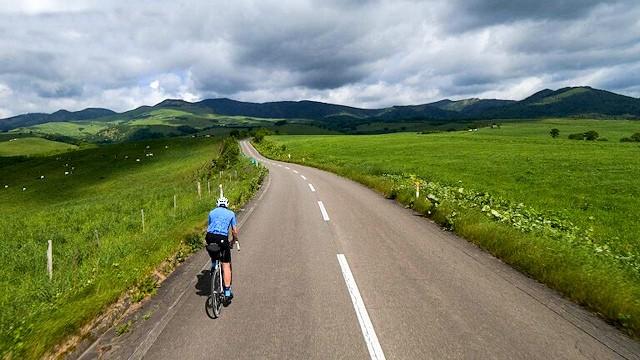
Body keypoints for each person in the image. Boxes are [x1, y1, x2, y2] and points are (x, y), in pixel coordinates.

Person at [206, 195, 238, 303]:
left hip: (210, 236)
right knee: (226, 265)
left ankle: (214, 264)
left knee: (213, 249)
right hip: (222, 239)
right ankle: (227, 293)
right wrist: (234, 240)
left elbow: (210, 226)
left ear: (217, 205)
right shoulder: (231, 213)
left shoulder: (212, 212)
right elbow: (234, 231)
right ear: (227, 205)